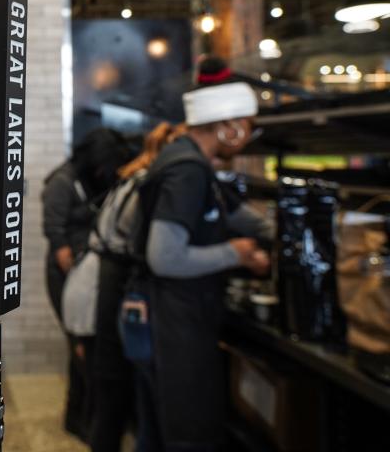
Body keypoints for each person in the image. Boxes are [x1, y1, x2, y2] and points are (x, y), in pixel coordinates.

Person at [137, 81, 270, 451]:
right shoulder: (187, 171)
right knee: (190, 432)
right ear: (228, 126)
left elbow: (235, 215)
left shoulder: (191, 162)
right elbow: (164, 257)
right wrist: (236, 253)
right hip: (178, 319)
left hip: (183, 315)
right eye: (247, 125)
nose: (248, 136)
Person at [88, 122, 185, 452]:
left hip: (109, 276)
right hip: (120, 281)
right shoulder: (147, 182)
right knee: (121, 382)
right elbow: (156, 250)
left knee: (111, 381)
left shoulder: (131, 176)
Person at [42, 128, 136, 440]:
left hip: (84, 274)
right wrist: (79, 283)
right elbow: (58, 240)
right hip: (66, 275)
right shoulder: (62, 181)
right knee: (81, 347)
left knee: (82, 348)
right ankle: (85, 421)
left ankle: (80, 417)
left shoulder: (88, 179)